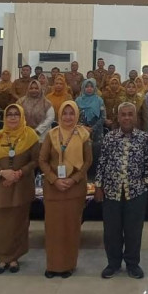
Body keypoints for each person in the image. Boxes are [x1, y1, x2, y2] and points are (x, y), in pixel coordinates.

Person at [95, 102, 148, 279]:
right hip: (112, 191)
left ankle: (132, 264)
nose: (127, 118)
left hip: (135, 192)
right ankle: (113, 263)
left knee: (133, 230)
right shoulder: (110, 138)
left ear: (135, 117)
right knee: (112, 231)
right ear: (118, 117)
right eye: (124, 115)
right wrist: (98, 186)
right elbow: (102, 163)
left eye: (130, 114)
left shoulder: (143, 138)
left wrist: (144, 183)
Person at [39, 101, 93, 278]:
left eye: (71, 113)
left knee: (71, 228)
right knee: (53, 228)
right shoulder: (51, 135)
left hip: (74, 189)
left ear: (76, 115)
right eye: (65, 113)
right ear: (60, 115)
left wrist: (73, 179)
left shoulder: (84, 135)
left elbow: (87, 162)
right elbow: (43, 161)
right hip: (53, 189)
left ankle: (68, 265)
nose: (68, 117)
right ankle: (52, 265)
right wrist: (54, 180)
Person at [0, 104, 39, 274]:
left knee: (19, 223)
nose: (13, 117)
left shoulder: (30, 135)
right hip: (0, 186)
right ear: (5, 118)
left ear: (22, 116)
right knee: (2, 224)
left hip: (21, 185)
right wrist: (2, 173)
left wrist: (18, 173)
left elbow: (36, 160)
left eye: (16, 114)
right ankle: (3, 258)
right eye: (9, 115)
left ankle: (15, 258)